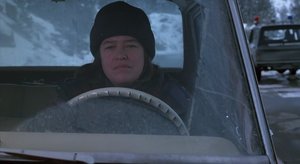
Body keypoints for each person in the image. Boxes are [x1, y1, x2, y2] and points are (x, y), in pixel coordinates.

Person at [56, 1, 191, 115]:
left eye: (131, 46)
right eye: (110, 47)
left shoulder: (172, 97)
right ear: (99, 56)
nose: (121, 55)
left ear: (145, 53)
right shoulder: (74, 94)